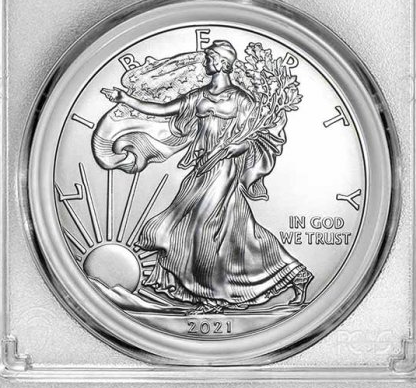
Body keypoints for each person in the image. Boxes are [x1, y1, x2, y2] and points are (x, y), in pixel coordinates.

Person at [102, 40, 312, 313]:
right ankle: (295, 274)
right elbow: (163, 109)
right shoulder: (198, 96)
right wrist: (125, 99)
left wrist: (240, 146)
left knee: (204, 226)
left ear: (223, 63)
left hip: (225, 167)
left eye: (210, 58)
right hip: (202, 166)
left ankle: (211, 297)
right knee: (233, 231)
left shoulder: (241, 100)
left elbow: (259, 137)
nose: (206, 62)